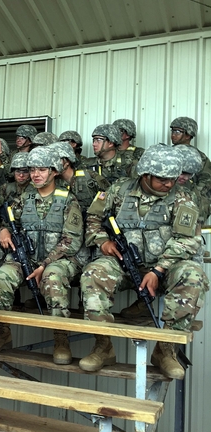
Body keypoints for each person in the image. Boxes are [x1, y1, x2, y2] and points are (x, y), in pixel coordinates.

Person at [80, 144, 209, 379]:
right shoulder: (118, 190)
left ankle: (165, 350)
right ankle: (103, 346)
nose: (169, 184)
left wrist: (159, 270)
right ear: (145, 174)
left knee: (193, 275)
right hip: (122, 263)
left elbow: (188, 239)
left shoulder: (182, 197)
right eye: (162, 179)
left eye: (172, 178)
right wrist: (101, 241)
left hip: (164, 267)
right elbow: (93, 219)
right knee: (94, 273)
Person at [0, 147, 84, 364]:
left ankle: (60, 337)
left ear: (55, 171)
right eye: (32, 170)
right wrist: (4, 229)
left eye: (41, 169)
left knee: (53, 277)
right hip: (26, 259)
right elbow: (10, 219)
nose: (35, 174)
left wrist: (46, 264)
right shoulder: (25, 197)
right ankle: (2, 333)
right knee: (1, 276)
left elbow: (72, 240)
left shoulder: (68, 199)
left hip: (59, 260)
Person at [170, 116, 211, 194]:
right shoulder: (165, 152)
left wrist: (192, 195)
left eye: (178, 131)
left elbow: (206, 180)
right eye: (172, 131)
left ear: (188, 135)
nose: (173, 134)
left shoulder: (200, 157)